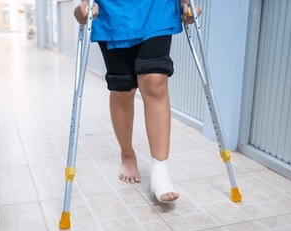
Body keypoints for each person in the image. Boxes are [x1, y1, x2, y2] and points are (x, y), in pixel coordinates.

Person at [74, 0, 201, 203]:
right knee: (122, 87)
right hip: (113, 9)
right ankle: (127, 155)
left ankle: (160, 168)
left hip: (156, 7)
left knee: (155, 81)